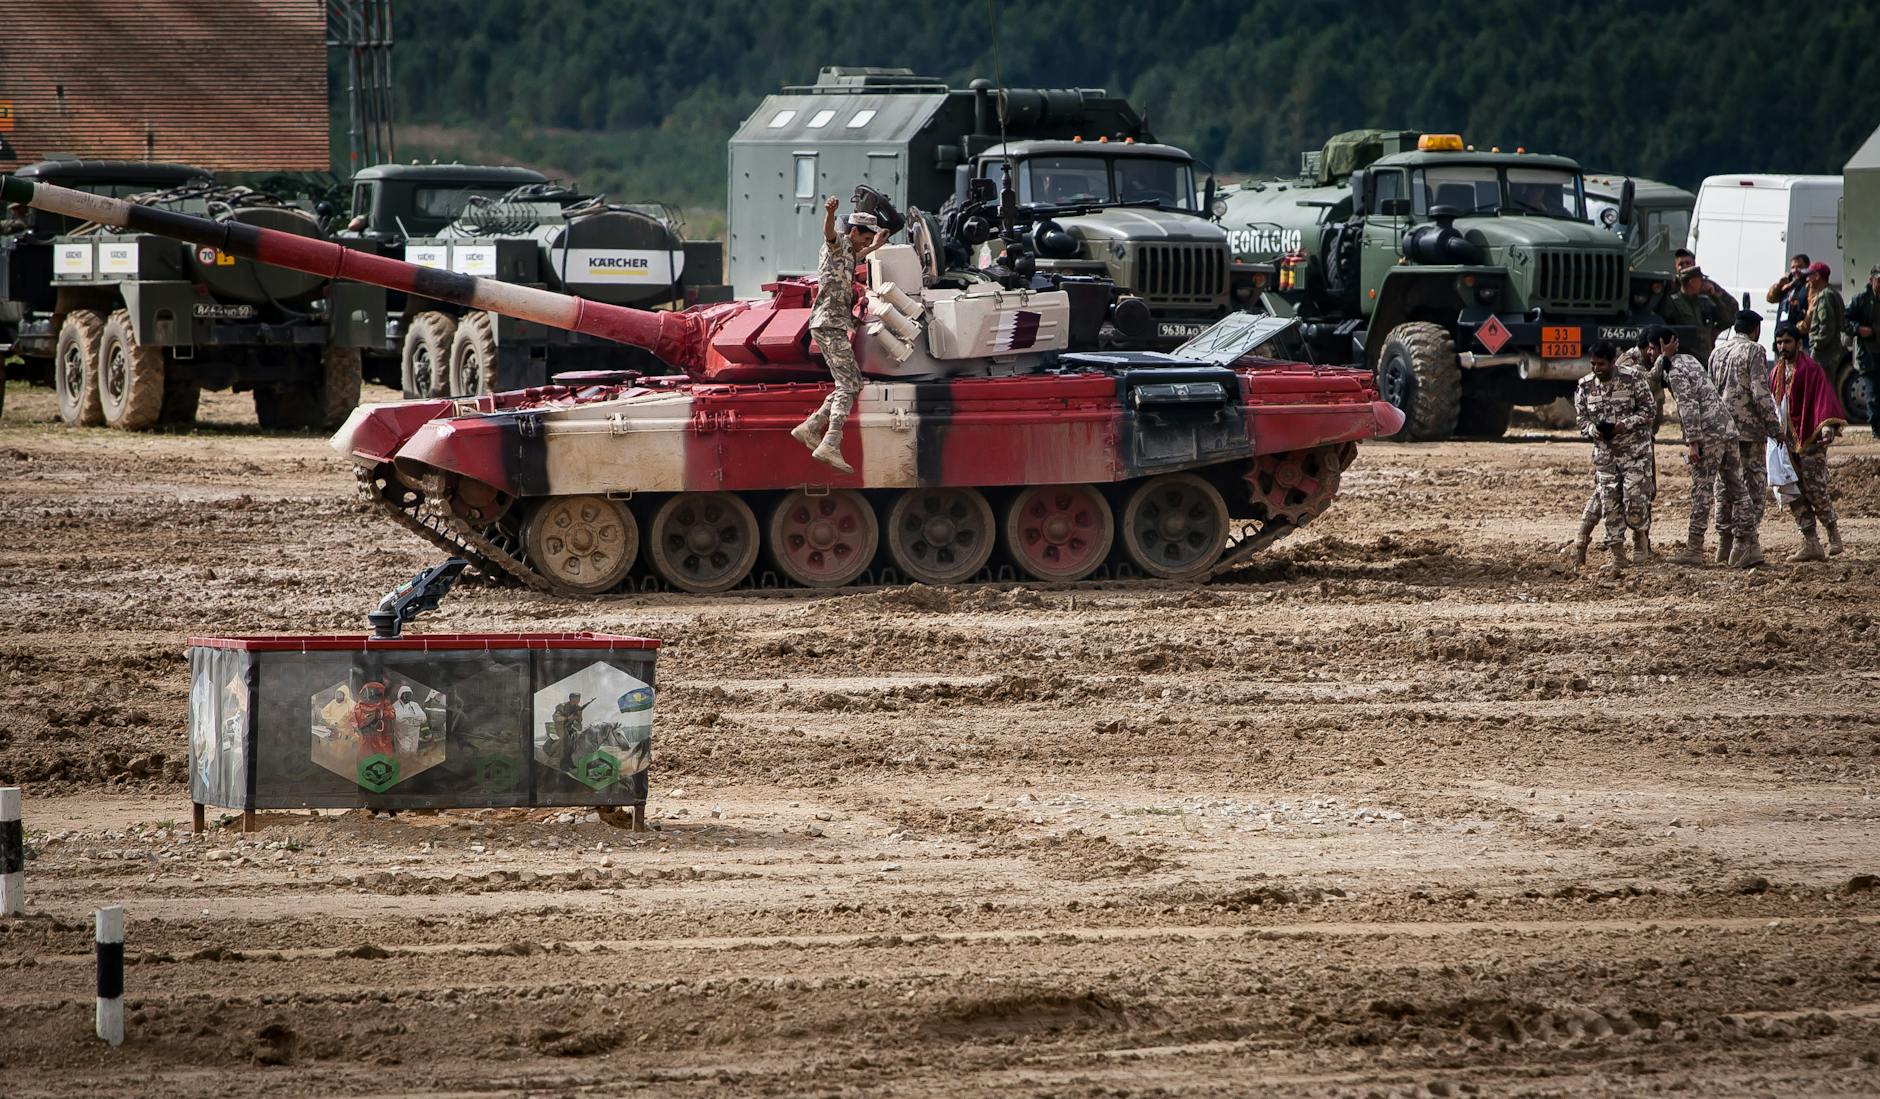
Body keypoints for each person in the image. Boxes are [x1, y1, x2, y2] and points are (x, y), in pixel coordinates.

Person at [791, 194, 890, 474]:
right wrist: (830, 212)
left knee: (852, 383)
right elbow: (830, 234)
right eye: (866, 236)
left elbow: (855, 258)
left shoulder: (847, 253)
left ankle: (810, 428)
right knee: (848, 385)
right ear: (855, 231)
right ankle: (830, 443)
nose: (868, 241)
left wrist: (878, 245)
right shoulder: (838, 244)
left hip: (832, 323)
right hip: (829, 322)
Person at [1644, 327, 1742, 565]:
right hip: (1726, 429)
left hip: (1708, 436)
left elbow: (1688, 407)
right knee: (1737, 490)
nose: (1648, 352)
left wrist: (1693, 442)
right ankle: (1745, 544)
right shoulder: (1689, 360)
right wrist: (1663, 357)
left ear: (1661, 346)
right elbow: (1653, 377)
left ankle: (1694, 549)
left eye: (1652, 347)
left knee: (1701, 492)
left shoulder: (1675, 371)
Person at [1573, 340, 1658, 574]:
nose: (1596, 369)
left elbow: (1649, 411)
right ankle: (1617, 554)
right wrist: (1593, 430)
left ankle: (1640, 537)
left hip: (1635, 453)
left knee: (1635, 499)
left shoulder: (1632, 379)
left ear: (1612, 362)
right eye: (1593, 364)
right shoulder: (1585, 386)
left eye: (1601, 364)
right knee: (1610, 504)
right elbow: (1581, 420)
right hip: (1606, 456)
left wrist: (1625, 424)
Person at [1707, 310, 1783, 568]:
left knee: (1725, 486)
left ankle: (1723, 544)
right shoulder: (1754, 351)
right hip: (1748, 432)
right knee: (1751, 489)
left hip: (1721, 431)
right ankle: (1744, 545)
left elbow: (1710, 392)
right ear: (1755, 330)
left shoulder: (1717, 352)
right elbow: (1760, 393)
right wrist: (1774, 427)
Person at [1768, 325, 1847, 560]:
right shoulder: (1775, 373)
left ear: (1798, 344)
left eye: (1787, 342)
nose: (1783, 347)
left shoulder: (1811, 369)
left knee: (1815, 490)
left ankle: (1834, 535)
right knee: (1792, 492)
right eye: (1779, 342)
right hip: (1785, 446)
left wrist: (1826, 429)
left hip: (1810, 441)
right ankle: (1810, 541)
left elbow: (1823, 399)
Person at [1659, 266, 1727, 362]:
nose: (1703, 283)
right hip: (1685, 361)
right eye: (1700, 280)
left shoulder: (1704, 301)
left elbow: (1726, 319)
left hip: (1705, 360)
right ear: (1692, 282)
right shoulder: (1673, 303)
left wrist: (1714, 296)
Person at [1845, 265, 1880, 437]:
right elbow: (1845, 320)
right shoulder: (1862, 299)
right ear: (1872, 280)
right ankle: (1876, 428)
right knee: (1873, 393)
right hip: (1869, 354)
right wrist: (1858, 329)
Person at [1802, 261, 1846, 383]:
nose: (1807, 280)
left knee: (1823, 389)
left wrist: (1816, 347)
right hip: (1830, 353)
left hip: (1825, 355)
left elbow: (1826, 326)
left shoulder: (1825, 296)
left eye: (1810, 275)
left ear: (1817, 276)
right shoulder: (1833, 293)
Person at [1766, 253, 1811, 331]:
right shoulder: (1788, 285)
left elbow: (1811, 313)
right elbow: (1770, 298)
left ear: (1807, 268)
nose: (1795, 270)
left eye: (1799, 267)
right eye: (1793, 267)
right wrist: (1779, 285)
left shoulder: (1809, 286)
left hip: (1797, 334)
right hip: (1781, 330)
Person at [392, 685, 428, 755]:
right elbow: (398, 720)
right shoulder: (395, 706)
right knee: (404, 753)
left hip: (415, 734)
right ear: (401, 695)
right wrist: (414, 719)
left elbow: (423, 717)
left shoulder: (415, 705)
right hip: (402, 735)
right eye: (406, 694)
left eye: (410, 694)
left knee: (413, 752)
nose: (408, 696)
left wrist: (412, 719)